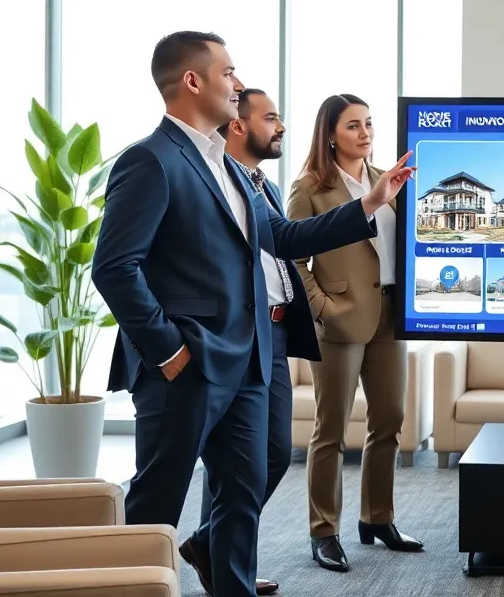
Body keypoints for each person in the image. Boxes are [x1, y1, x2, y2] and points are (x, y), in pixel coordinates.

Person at [95, 32, 416, 597]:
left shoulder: (232, 168)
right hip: (188, 362)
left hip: (249, 357)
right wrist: (167, 349)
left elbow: (284, 238)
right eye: (229, 72)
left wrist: (371, 201)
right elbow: (115, 268)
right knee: (159, 500)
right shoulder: (150, 160)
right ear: (193, 81)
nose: (237, 84)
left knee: (243, 492)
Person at [174, 88, 302, 596]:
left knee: (270, 457)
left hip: (272, 333)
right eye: (270, 117)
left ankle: (210, 544)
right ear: (238, 126)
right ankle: (231, 574)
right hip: (229, 336)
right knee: (237, 465)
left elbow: (287, 241)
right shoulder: (208, 180)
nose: (281, 127)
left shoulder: (260, 185)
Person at [286, 94, 421, 573]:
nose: (365, 133)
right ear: (330, 134)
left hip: (390, 313)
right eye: (353, 126)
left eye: (368, 124)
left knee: (390, 418)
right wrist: (321, 308)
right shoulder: (310, 188)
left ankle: (377, 518)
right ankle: (324, 531)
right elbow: (291, 257)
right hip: (340, 319)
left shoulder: (389, 180)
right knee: (331, 430)